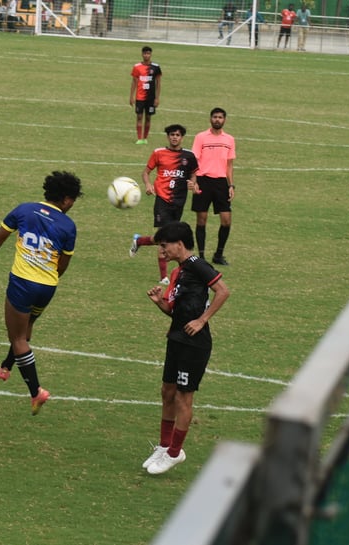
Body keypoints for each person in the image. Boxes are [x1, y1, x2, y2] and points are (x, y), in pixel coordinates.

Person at [0, 171, 83, 415]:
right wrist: (46, 276)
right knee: (25, 329)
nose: (72, 204)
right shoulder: (68, 226)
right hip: (48, 286)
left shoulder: (24, 210)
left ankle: (36, 392)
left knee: (17, 337)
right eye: (72, 199)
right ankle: (7, 366)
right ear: (64, 199)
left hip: (22, 284)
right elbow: (62, 265)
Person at [141, 221, 229, 475]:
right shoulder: (178, 272)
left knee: (183, 396)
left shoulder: (198, 266)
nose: (162, 252)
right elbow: (173, 310)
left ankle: (174, 453)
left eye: (164, 246)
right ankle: (164, 445)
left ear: (179, 244)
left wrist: (202, 320)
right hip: (177, 338)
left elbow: (223, 291)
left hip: (195, 343)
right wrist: (159, 302)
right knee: (167, 391)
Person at [130, 124, 199, 284]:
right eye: (172, 134)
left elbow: (194, 173)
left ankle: (139, 241)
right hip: (162, 200)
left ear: (182, 137)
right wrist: (148, 185)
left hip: (179, 201)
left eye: (178, 135)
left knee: (167, 236)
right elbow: (146, 172)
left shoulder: (189, 156)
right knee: (166, 239)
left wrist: (192, 183)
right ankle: (164, 277)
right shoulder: (158, 153)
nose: (175, 137)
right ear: (168, 136)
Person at [191, 107, 236, 266]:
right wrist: (194, 181)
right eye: (215, 117)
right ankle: (201, 257)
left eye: (220, 117)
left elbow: (229, 165)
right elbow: (194, 161)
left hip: (221, 182)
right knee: (202, 219)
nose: (217, 119)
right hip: (203, 180)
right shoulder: (201, 137)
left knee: (226, 220)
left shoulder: (229, 140)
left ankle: (218, 254)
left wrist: (231, 185)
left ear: (224, 120)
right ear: (210, 119)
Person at [129, 45, 161, 145]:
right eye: (145, 53)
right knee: (139, 117)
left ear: (151, 54)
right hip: (140, 97)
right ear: (142, 54)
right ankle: (139, 138)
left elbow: (158, 83)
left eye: (148, 53)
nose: (146, 55)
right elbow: (134, 82)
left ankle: (145, 138)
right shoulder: (137, 67)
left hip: (150, 98)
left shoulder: (155, 67)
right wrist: (131, 96)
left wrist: (157, 98)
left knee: (148, 117)